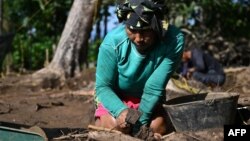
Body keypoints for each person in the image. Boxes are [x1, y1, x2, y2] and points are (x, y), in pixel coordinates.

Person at [94, 0, 184, 140]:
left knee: (157, 127)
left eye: (146, 31)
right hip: (116, 97)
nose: (139, 38)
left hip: (149, 100)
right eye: (133, 30)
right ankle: (100, 119)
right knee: (116, 126)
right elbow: (103, 87)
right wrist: (120, 111)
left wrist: (139, 125)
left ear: (158, 26)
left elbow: (154, 88)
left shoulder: (173, 40)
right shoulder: (112, 42)